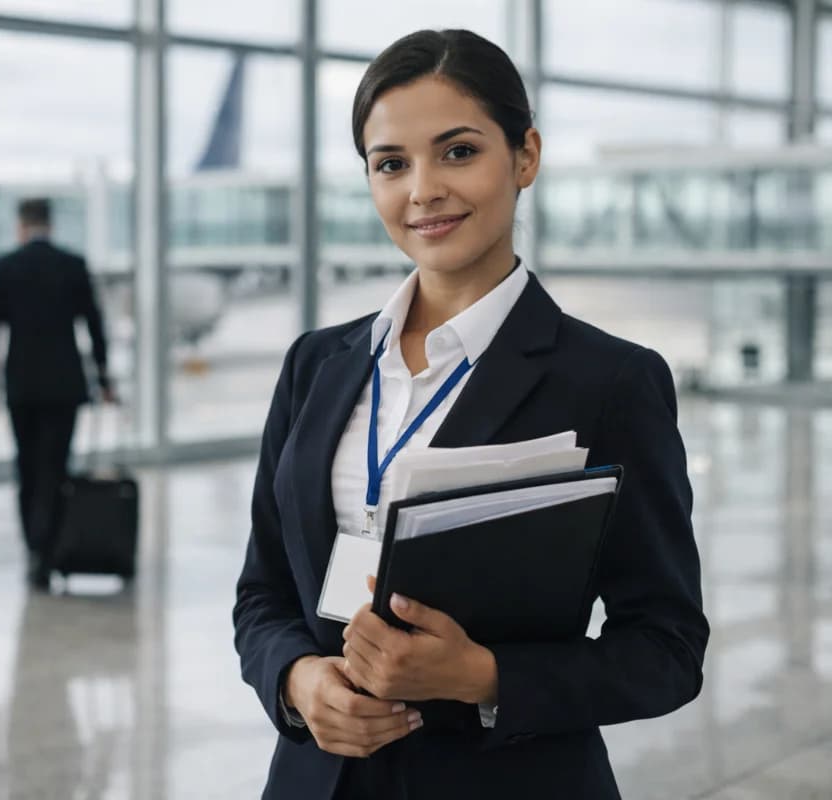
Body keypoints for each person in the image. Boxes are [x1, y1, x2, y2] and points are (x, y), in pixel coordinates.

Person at [232, 29, 708, 800]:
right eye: (391, 164)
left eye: (457, 152)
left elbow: (667, 650)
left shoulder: (611, 381)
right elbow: (262, 593)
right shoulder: (315, 366)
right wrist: (295, 680)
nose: (422, 190)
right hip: (318, 781)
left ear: (525, 156)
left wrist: (483, 676)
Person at [0, 197, 115, 593]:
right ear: (49, 224)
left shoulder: (4, 267)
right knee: (55, 468)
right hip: (64, 383)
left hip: (21, 383)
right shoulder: (72, 265)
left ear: (21, 225)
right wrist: (103, 375)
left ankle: (33, 548)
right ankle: (51, 546)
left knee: (26, 467)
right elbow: (93, 324)